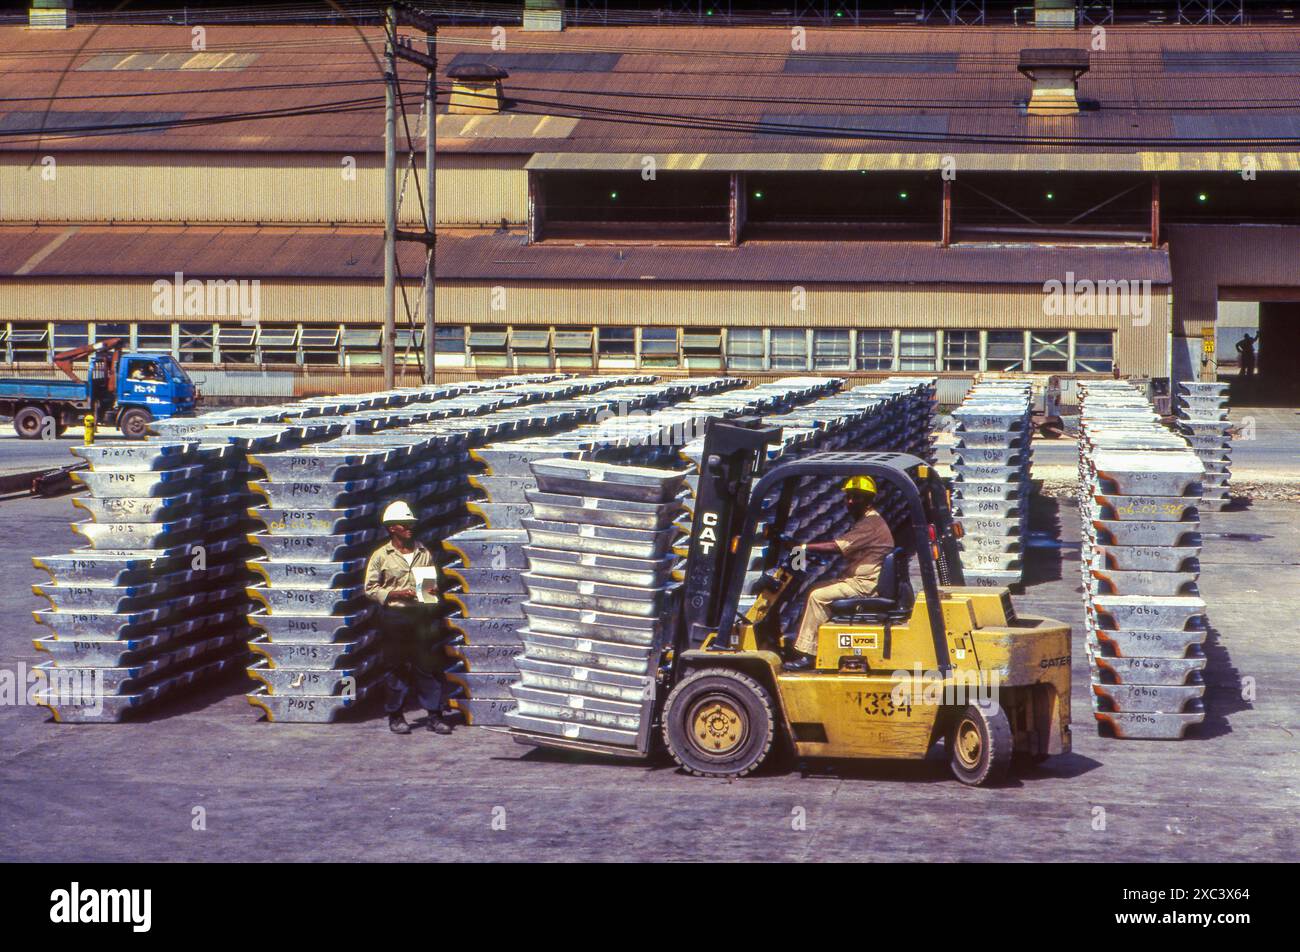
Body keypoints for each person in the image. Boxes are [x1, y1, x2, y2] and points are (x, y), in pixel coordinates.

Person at [783, 476, 895, 672]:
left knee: (817, 597)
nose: (850, 502)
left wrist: (802, 547)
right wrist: (806, 550)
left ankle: (808, 654)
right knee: (815, 588)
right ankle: (807, 642)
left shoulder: (871, 524)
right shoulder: (868, 521)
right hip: (858, 580)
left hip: (864, 585)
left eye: (856, 498)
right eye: (849, 497)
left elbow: (837, 546)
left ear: (869, 499)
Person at [364, 500, 451, 735]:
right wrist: (395, 593)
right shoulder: (381, 556)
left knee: (427, 666)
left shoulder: (423, 552)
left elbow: (429, 586)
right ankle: (396, 715)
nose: (410, 528)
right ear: (392, 528)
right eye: (405, 524)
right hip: (395, 616)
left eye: (411, 524)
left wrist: (431, 593)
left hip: (420, 616)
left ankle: (434, 715)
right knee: (397, 667)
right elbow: (371, 588)